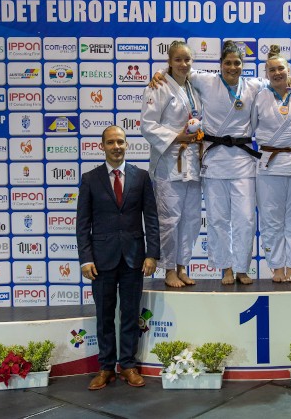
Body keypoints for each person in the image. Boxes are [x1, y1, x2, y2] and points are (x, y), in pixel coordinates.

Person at [150, 40, 266, 285]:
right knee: (217, 219)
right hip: (214, 160)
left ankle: (241, 268)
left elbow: (276, 81)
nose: (232, 67)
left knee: (245, 219)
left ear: (243, 64)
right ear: (220, 64)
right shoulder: (206, 80)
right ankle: (226, 268)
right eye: (228, 63)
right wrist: (159, 73)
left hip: (242, 161)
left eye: (237, 63)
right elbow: (179, 70)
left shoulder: (253, 85)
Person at [77, 125, 160, 390]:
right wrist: (85, 259)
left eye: (121, 142)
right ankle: (105, 368)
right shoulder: (90, 179)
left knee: (130, 314)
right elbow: (83, 223)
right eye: (111, 142)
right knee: (104, 315)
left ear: (127, 145)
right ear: (102, 146)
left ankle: (127, 365)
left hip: (134, 258)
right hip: (100, 260)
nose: (116, 147)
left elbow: (152, 219)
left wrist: (152, 254)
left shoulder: (141, 177)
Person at [141, 41, 201, 288]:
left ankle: (182, 265)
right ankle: (168, 269)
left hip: (192, 162)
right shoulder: (159, 87)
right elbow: (148, 125)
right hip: (169, 162)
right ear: (169, 61)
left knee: (191, 219)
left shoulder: (193, 85)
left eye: (187, 59)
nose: (183, 64)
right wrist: (177, 137)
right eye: (178, 60)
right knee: (169, 219)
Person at [251, 45, 291, 282]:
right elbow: (250, 128)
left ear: (289, 70)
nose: (277, 73)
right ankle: (277, 266)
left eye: (281, 69)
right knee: (270, 219)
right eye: (272, 70)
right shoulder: (259, 96)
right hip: (269, 165)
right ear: (266, 73)